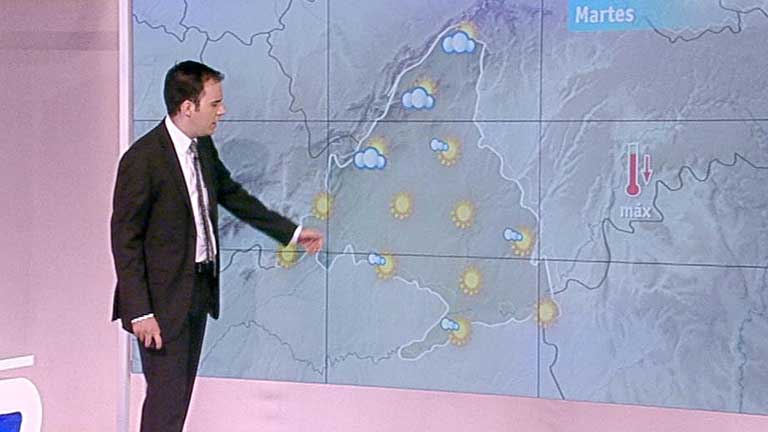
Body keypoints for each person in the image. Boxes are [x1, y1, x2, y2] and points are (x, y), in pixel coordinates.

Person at [110, 60, 323, 432]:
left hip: (198, 290)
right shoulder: (143, 160)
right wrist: (141, 312)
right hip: (161, 302)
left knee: (178, 399)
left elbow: (233, 196)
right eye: (215, 103)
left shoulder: (202, 148)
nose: (222, 111)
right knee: (165, 401)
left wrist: (290, 232)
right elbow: (125, 240)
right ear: (187, 107)